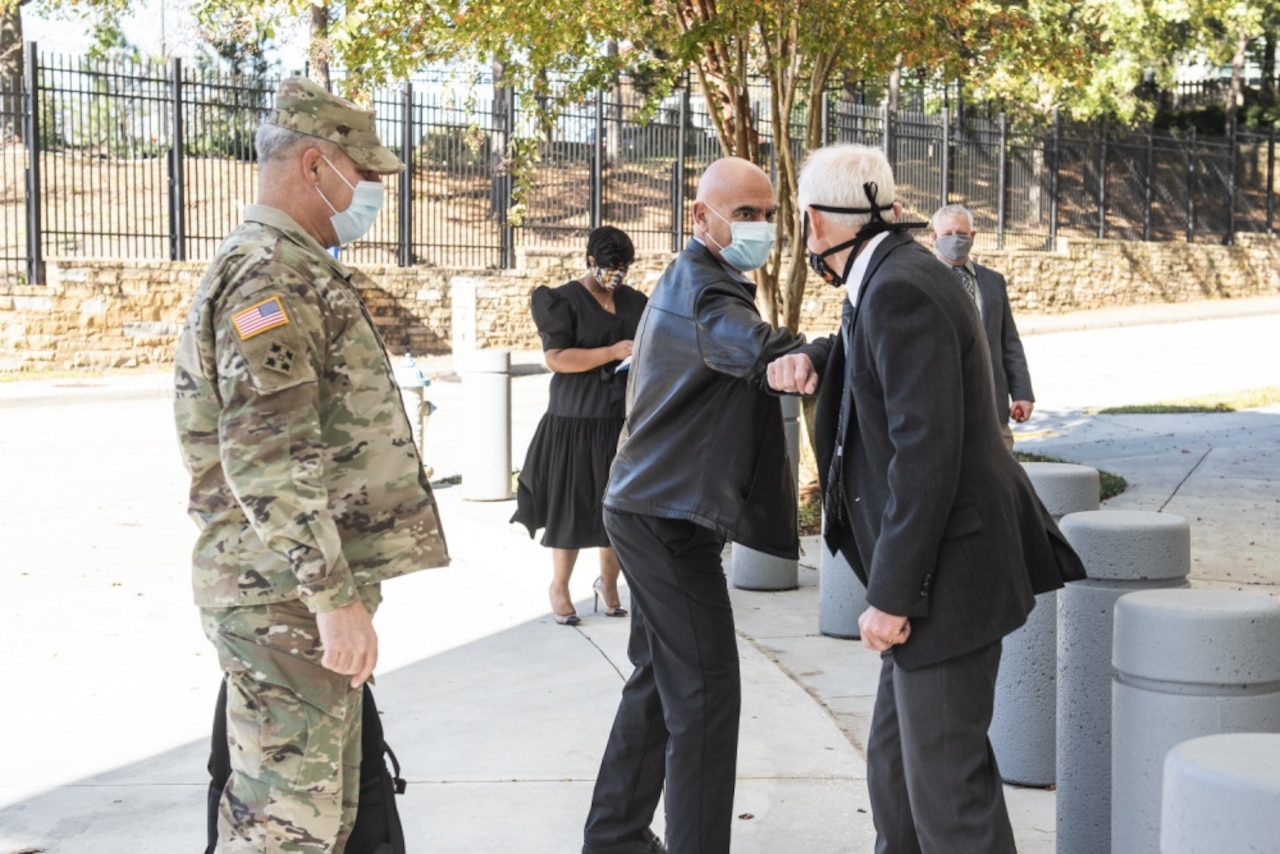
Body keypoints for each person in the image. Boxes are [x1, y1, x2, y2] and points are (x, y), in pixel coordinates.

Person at [767, 143, 1085, 854]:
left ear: (816, 225)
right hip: (948, 564)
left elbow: (925, 453)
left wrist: (891, 596)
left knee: (947, 793)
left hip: (949, 575)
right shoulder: (895, 273)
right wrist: (817, 357)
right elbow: (876, 350)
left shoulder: (898, 288)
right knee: (897, 768)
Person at [173, 76, 450, 852]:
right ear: (317, 165)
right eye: (364, 178)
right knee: (286, 833)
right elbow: (269, 454)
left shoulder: (289, 263)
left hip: (285, 597)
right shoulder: (270, 275)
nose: (370, 196)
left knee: (320, 819)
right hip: (285, 602)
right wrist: (333, 599)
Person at [582, 157, 807, 854]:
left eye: (769, 215)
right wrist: (834, 348)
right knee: (707, 697)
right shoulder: (709, 296)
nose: (760, 227)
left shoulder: (696, 281)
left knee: (659, 681)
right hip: (666, 520)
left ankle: (615, 837)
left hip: (651, 507)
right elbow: (766, 350)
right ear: (699, 218)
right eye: (744, 214)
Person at [511, 226, 646, 625]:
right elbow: (556, 358)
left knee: (616, 508)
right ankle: (560, 587)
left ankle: (609, 585)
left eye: (623, 267)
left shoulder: (634, 302)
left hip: (618, 420)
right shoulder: (562, 300)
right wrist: (611, 352)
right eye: (609, 267)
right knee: (570, 509)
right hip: (574, 419)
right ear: (591, 261)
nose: (616, 275)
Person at [929, 203, 1035, 451]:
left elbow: (1009, 342)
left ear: (973, 236)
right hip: (941, 413)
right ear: (933, 238)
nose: (955, 239)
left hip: (992, 411)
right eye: (947, 234)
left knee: (1000, 485)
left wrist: (1022, 393)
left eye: (962, 234)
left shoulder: (993, 282)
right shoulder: (920, 281)